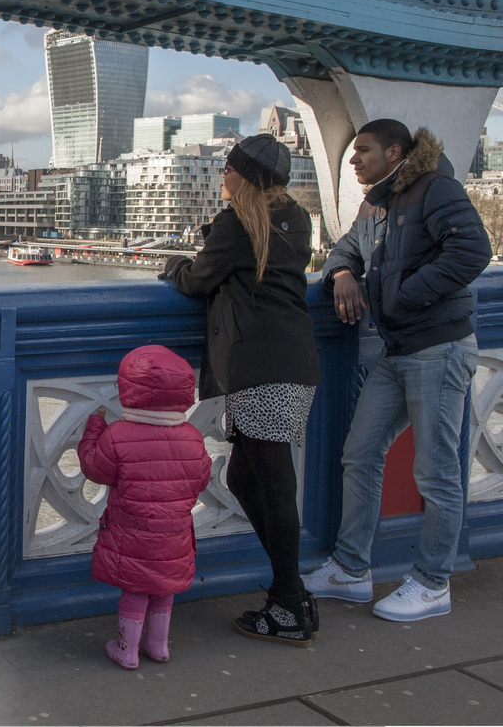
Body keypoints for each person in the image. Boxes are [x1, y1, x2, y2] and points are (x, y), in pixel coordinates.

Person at [303, 120, 491, 621]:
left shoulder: (436, 189)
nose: (353, 160)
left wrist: (404, 295)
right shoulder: (376, 205)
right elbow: (344, 249)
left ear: (394, 151)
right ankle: (351, 570)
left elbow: (474, 250)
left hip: (439, 348)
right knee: (360, 454)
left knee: (435, 472)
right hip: (395, 351)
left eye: (362, 151)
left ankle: (433, 583)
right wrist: (343, 273)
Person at [162, 133, 322, 646]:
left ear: (242, 176)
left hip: (257, 367)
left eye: (227, 169)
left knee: (272, 485)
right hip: (293, 361)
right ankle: (291, 591)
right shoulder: (295, 219)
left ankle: (289, 604)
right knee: (246, 482)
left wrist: (175, 266)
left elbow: (197, 280)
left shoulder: (235, 224)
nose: (221, 176)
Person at [76, 345, 213, 670]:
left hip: (131, 536)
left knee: (136, 591)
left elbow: (95, 469)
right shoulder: (192, 438)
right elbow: (203, 478)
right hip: (174, 535)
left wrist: (94, 429)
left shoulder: (118, 436)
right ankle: (158, 645)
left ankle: (127, 650)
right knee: (164, 589)